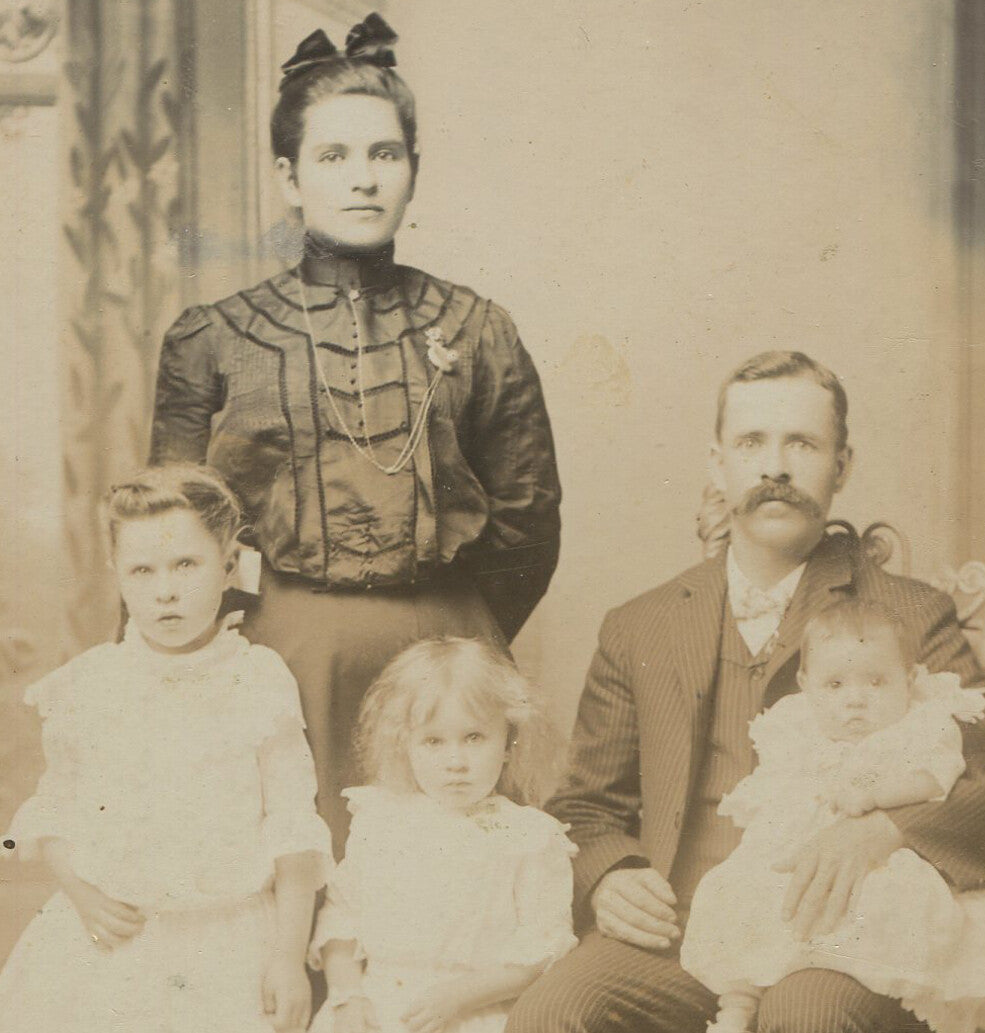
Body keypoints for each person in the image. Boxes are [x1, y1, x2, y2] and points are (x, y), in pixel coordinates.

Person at [506, 350, 985, 1033]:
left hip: (838, 937)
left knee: (804, 1015)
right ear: (717, 463)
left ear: (841, 466)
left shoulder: (908, 611)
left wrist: (886, 830)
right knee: (553, 1012)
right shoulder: (640, 625)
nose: (775, 467)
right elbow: (583, 807)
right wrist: (610, 875)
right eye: (752, 442)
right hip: (683, 931)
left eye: (802, 443)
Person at [148, 14, 561, 850]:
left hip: (447, 661)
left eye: (385, 154)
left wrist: (457, 636)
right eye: (333, 157)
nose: (363, 179)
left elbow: (527, 524)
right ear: (289, 176)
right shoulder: (214, 337)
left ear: (412, 169)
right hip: (282, 657)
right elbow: (168, 531)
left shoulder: (478, 328)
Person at [0, 464, 332, 1032]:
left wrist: (285, 958)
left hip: (228, 941)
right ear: (117, 575)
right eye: (142, 570)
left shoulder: (258, 680)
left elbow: (293, 827)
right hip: (111, 935)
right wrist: (80, 894)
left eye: (186, 564)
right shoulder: (88, 683)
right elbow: (56, 810)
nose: (166, 589)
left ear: (228, 565)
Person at [682, 598, 985, 1033]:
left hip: (879, 864)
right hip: (794, 855)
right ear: (806, 684)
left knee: (865, 919)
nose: (855, 700)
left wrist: (875, 794)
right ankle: (735, 1008)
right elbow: (776, 783)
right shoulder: (799, 724)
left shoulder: (916, 726)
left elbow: (936, 778)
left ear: (908, 679)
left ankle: (863, 974)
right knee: (752, 905)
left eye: (875, 682)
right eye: (835, 685)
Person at [307, 637, 577, 1033]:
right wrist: (348, 996)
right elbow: (341, 919)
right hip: (373, 1010)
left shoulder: (529, 837)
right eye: (433, 741)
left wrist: (460, 996)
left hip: (473, 1011)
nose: (456, 762)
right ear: (406, 745)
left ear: (508, 743)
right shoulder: (380, 821)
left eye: (474, 738)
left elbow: (542, 950)